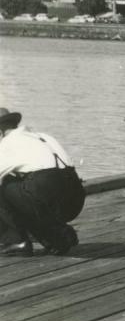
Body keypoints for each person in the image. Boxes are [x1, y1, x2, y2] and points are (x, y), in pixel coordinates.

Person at [0, 108, 85, 256]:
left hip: (48, 196)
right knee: (23, 192)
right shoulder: (43, 137)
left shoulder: (8, 143)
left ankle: (17, 241)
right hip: (75, 200)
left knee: (6, 186)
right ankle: (56, 239)